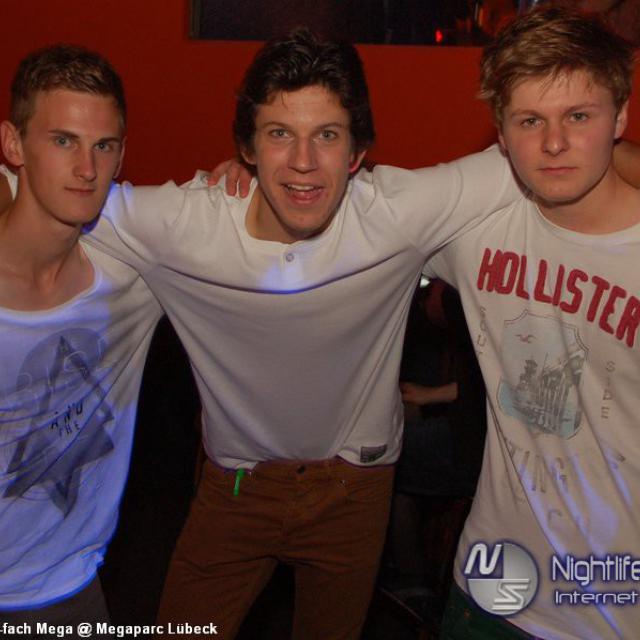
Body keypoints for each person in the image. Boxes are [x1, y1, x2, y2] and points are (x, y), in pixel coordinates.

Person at [423, 7, 640, 639]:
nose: (553, 143)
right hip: (490, 588)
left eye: (579, 116)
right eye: (530, 121)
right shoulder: (473, 229)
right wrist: (248, 179)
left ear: (620, 118)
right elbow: (340, 217)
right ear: (501, 131)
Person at [0, 46, 161, 633]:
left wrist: (242, 176)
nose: (87, 169)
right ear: (13, 144)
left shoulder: (133, 277)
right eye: (63, 140)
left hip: (72, 592)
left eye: (104, 146)